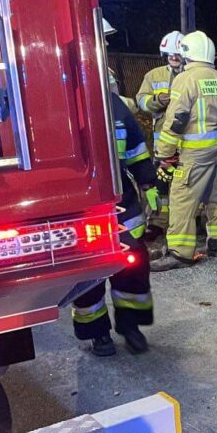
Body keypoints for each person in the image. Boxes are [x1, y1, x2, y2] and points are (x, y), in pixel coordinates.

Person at [151, 30, 217, 271]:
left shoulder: (186, 79)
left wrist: (163, 152)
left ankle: (180, 253)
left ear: (187, 54)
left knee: (182, 199)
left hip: (193, 155)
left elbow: (176, 119)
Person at [72, 93, 158, 355]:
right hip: (80, 207)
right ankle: (98, 333)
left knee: (132, 267)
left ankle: (131, 327)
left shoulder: (113, 104)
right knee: (88, 276)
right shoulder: (55, 102)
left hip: (120, 203)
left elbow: (135, 147)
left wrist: (148, 182)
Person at [135, 31, 185, 227]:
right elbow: (141, 100)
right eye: (170, 54)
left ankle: (192, 221)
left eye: (177, 54)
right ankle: (159, 222)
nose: (173, 57)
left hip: (187, 144)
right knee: (161, 185)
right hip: (163, 144)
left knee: (185, 186)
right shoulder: (154, 75)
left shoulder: (190, 76)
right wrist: (156, 101)